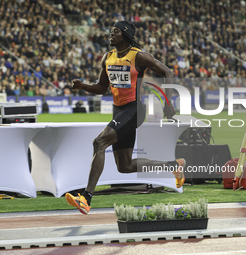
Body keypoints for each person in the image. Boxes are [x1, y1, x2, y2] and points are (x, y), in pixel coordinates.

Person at [65, 21, 186, 215]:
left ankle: (86, 198)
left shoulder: (138, 56)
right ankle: (174, 165)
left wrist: (168, 102)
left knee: (99, 142)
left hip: (134, 110)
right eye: (111, 31)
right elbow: (102, 87)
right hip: (119, 111)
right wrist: (84, 86)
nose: (111, 34)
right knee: (125, 166)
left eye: (116, 32)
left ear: (126, 34)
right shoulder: (108, 57)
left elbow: (167, 72)